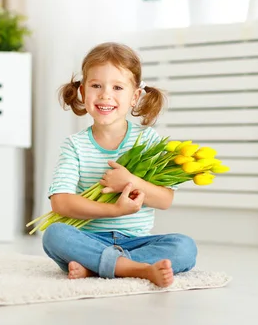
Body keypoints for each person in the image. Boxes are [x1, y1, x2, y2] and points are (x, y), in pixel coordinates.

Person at [42, 42, 197, 287]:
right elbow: (60, 202)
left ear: (134, 96)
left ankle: (99, 267)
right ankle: (137, 268)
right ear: (83, 92)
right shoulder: (75, 145)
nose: (105, 95)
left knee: (184, 247)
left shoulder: (148, 140)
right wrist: (115, 210)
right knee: (54, 235)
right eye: (96, 86)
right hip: (89, 239)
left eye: (117, 87)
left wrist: (131, 182)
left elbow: (165, 200)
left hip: (136, 241)